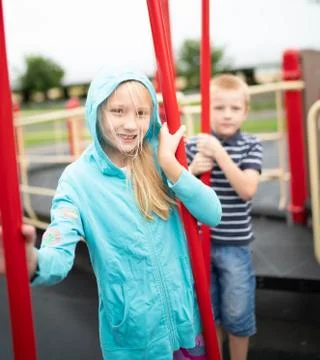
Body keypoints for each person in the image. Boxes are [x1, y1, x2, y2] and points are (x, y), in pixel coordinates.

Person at [0, 69, 222, 360]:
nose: (131, 124)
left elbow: (212, 213)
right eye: (118, 111)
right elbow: (59, 248)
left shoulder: (159, 157)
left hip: (186, 322)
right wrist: (33, 262)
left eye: (142, 113)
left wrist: (171, 164)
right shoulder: (78, 180)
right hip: (135, 338)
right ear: (97, 112)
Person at [186, 74, 263, 360]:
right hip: (201, 245)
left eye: (234, 108)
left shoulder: (251, 145)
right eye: (219, 108)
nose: (227, 115)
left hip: (235, 246)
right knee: (210, 315)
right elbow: (179, 193)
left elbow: (247, 189)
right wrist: (192, 170)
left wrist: (219, 153)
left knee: (238, 314)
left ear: (245, 111)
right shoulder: (194, 147)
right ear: (207, 110)